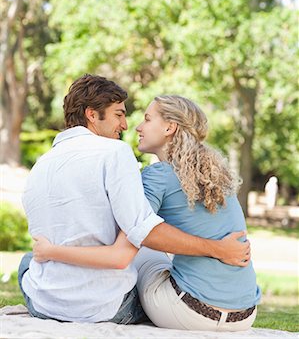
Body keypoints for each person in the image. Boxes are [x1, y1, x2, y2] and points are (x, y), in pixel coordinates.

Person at [20, 75, 250, 324]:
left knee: (28, 261)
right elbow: (132, 244)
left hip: (45, 304)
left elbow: (130, 242)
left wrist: (51, 251)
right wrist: (218, 249)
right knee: (140, 245)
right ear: (92, 115)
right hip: (108, 308)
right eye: (119, 114)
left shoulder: (41, 164)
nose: (128, 125)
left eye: (144, 119)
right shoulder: (117, 153)